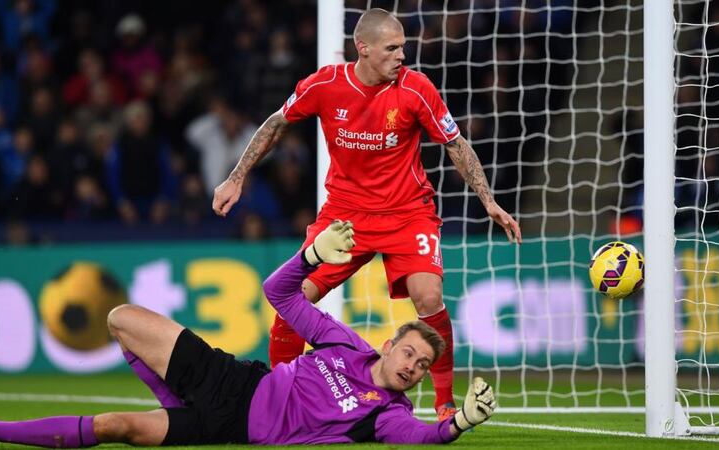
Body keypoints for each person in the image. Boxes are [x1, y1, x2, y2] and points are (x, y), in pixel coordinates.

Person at [212, 8, 522, 421]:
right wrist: (236, 177)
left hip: (408, 213)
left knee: (429, 297)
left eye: (403, 48)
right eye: (392, 48)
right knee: (294, 298)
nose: (401, 56)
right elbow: (276, 123)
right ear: (364, 48)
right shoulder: (324, 84)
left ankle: (444, 401)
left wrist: (488, 201)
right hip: (345, 216)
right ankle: (275, 395)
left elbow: (455, 143)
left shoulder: (416, 89)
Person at [0, 221, 496, 448]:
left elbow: (421, 439)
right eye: (409, 352)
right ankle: (169, 393)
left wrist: (460, 425)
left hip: (225, 423)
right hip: (231, 376)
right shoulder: (347, 344)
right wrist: (308, 258)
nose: (411, 367)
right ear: (391, 343)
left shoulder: (385, 412)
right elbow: (278, 293)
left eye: (421, 366)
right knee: (119, 318)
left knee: (117, 427)